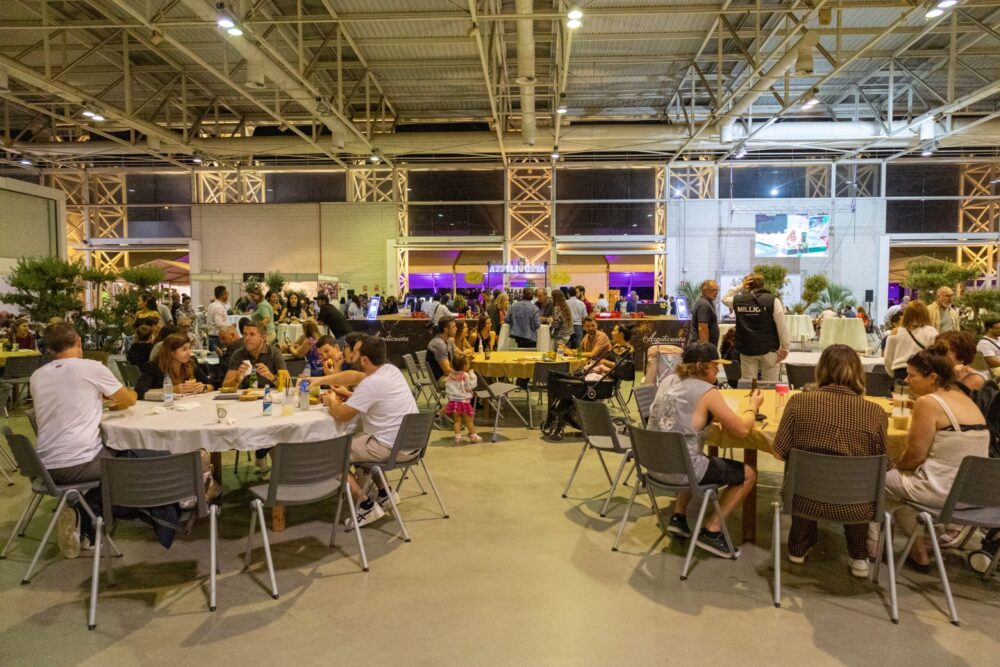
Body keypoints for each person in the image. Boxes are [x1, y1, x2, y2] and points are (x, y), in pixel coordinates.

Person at [772, 345, 890, 577]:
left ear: (820, 370)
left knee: (805, 476)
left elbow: (779, 452)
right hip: (857, 506)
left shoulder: (798, 403)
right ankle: (859, 557)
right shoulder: (875, 413)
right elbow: (884, 464)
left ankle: (797, 547)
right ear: (858, 372)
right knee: (855, 485)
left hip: (803, 500)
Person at [29, 322, 137, 557]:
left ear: (49, 349)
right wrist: (132, 394)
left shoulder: (37, 376)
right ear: (79, 341)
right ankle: (89, 528)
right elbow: (127, 400)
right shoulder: (91, 368)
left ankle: (77, 512)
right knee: (129, 451)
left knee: (104, 452)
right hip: (79, 465)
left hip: (43, 466)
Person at [875, 349, 989, 571]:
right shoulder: (965, 399)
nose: (907, 381)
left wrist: (895, 466)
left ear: (933, 378)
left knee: (877, 478)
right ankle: (918, 550)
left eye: (912, 375)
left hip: (941, 490)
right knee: (899, 487)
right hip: (974, 493)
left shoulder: (928, 402)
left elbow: (915, 455)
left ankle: (870, 546)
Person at [647, 342, 760, 558]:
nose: (718, 370)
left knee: (693, 454)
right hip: (683, 470)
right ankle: (712, 530)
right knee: (749, 474)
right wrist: (752, 406)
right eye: (714, 366)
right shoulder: (707, 391)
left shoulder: (670, 382)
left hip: (655, 465)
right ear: (700, 366)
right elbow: (743, 430)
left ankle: (679, 517)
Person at [321, 336, 419, 529]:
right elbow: (374, 395)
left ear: (364, 360)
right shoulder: (392, 371)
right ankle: (384, 493)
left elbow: (341, 415)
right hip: (411, 443)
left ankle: (365, 504)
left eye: (355, 352)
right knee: (360, 440)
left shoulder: (371, 383)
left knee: (331, 454)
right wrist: (348, 394)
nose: (353, 355)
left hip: (391, 448)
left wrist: (331, 400)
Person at [723, 273, 790, 381]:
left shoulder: (739, 300)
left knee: (748, 385)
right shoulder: (773, 300)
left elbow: (724, 299)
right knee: (770, 385)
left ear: (747, 285)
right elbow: (782, 326)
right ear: (763, 285)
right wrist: (785, 347)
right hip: (769, 349)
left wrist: (740, 287)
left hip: (747, 349)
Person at [135, 334, 213, 400]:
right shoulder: (153, 367)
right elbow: (139, 392)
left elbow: (211, 386)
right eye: (184, 349)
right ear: (170, 352)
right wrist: (170, 390)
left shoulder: (192, 362)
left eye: (189, 348)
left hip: (190, 404)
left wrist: (203, 388)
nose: (189, 353)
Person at [221, 321, 287, 390]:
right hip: (247, 397)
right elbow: (225, 387)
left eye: (252, 334)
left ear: (263, 338)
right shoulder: (238, 354)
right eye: (245, 334)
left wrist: (272, 377)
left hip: (269, 397)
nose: (247, 338)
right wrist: (237, 378)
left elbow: (289, 385)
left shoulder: (274, 353)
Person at [883, 299, 937, 381]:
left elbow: (888, 359)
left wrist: (894, 373)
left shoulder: (895, 332)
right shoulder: (932, 332)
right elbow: (936, 357)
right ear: (925, 314)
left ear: (906, 314)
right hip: (923, 372)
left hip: (900, 372)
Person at [445, 354, 482, 445]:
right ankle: (474, 436)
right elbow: (470, 386)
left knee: (457, 421)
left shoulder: (451, 375)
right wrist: (472, 375)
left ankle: (458, 437)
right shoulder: (465, 375)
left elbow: (448, 386)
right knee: (469, 421)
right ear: (464, 366)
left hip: (454, 402)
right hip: (464, 403)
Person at [688, 279, 720, 347]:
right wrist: (706, 350)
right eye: (713, 290)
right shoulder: (704, 304)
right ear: (705, 291)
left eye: (717, 290)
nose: (716, 292)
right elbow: (702, 328)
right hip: (700, 349)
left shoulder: (707, 302)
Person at [426, 317, 457, 384]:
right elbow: (447, 371)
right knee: (466, 379)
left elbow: (450, 364)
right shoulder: (439, 344)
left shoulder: (447, 340)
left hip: (445, 375)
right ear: (446, 329)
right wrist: (461, 373)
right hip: (440, 379)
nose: (456, 329)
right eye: (454, 327)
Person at [206, 285, 229, 351]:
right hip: (217, 337)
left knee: (213, 358)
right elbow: (219, 323)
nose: (228, 295)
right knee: (218, 359)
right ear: (223, 294)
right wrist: (230, 326)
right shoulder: (219, 307)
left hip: (212, 336)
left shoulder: (212, 305)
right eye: (227, 293)